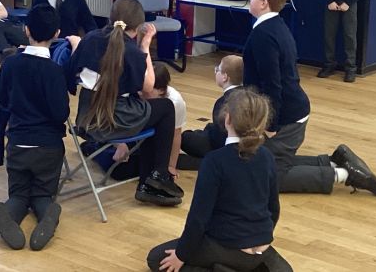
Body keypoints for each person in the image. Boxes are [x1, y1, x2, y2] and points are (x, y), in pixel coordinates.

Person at [243, 0, 376, 197]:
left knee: (268, 176)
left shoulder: (264, 35)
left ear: (263, 2)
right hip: (291, 109)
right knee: (263, 163)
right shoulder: (275, 26)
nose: (249, 0)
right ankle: (333, 161)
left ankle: (345, 175)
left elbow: (273, 84)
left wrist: (270, 125)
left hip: (287, 116)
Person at [147, 88, 292, 272]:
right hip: (261, 245)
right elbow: (273, 208)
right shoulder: (267, 156)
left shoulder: (214, 161)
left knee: (157, 258)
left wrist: (181, 255)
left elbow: (198, 218)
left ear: (227, 118)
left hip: (227, 244)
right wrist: (260, 234)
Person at [66, 0, 184, 207]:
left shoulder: (90, 39)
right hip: (112, 120)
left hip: (86, 117)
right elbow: (148, 87)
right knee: (165, 108)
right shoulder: (131, 51)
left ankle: (151, 179)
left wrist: (76, 43)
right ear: (138, 27)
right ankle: (156, 176)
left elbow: (73, 72)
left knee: (151, 113)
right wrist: (145, 47)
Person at [0, 4, 69, 251]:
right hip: (48, 147)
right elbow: (61, 114)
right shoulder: (55, 71)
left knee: (18, 196)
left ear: (26, 30)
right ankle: (48, 215)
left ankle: (7, 214)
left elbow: (2, 99)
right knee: (42, 196)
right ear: (57, 34)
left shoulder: (10, 64)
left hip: (18, 143)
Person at [84, 62, 187, 181]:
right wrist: (120, 144)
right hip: (128, 131)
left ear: (161, 90)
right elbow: (114, 120)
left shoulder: (175, 101)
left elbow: (176, 134)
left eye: (146, 91)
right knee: (118, 170)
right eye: (140, 89)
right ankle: (93, 147)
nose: (140, 94)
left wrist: (171, 166)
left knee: (138, 167)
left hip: (150, 137)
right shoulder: (132, 91)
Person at [179, 55, 243, 170]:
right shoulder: (249, 95)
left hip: (223, 147)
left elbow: (218, 138)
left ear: (225, 77)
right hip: (245, 144)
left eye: (218, 69)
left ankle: (204, 162)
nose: (215, 71)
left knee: (185, 137)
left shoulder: (223, 102)